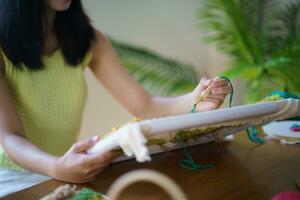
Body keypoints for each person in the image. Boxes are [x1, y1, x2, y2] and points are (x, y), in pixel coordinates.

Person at [0, 0, 231, 196]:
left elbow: (144, 105)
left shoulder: (86, 39)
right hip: (12, 182)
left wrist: (195, 101)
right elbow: (10, 137)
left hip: (60, 175)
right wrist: (56, 167)